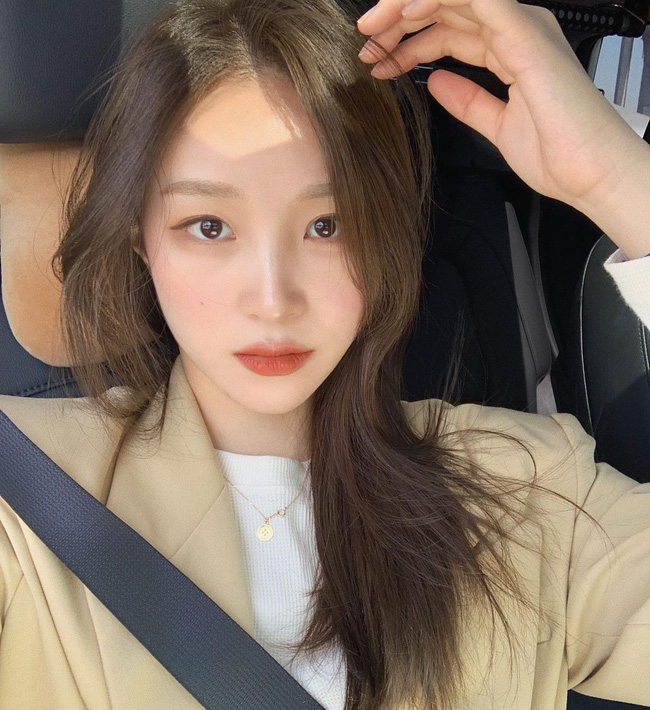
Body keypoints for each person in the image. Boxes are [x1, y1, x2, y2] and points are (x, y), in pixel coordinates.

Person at [0, 0, 648, 709]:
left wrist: (618, 181)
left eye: (327, 225)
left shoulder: (526, 494)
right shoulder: (25, 503)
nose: (273, 301)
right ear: (140, 236)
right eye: (209, 226)